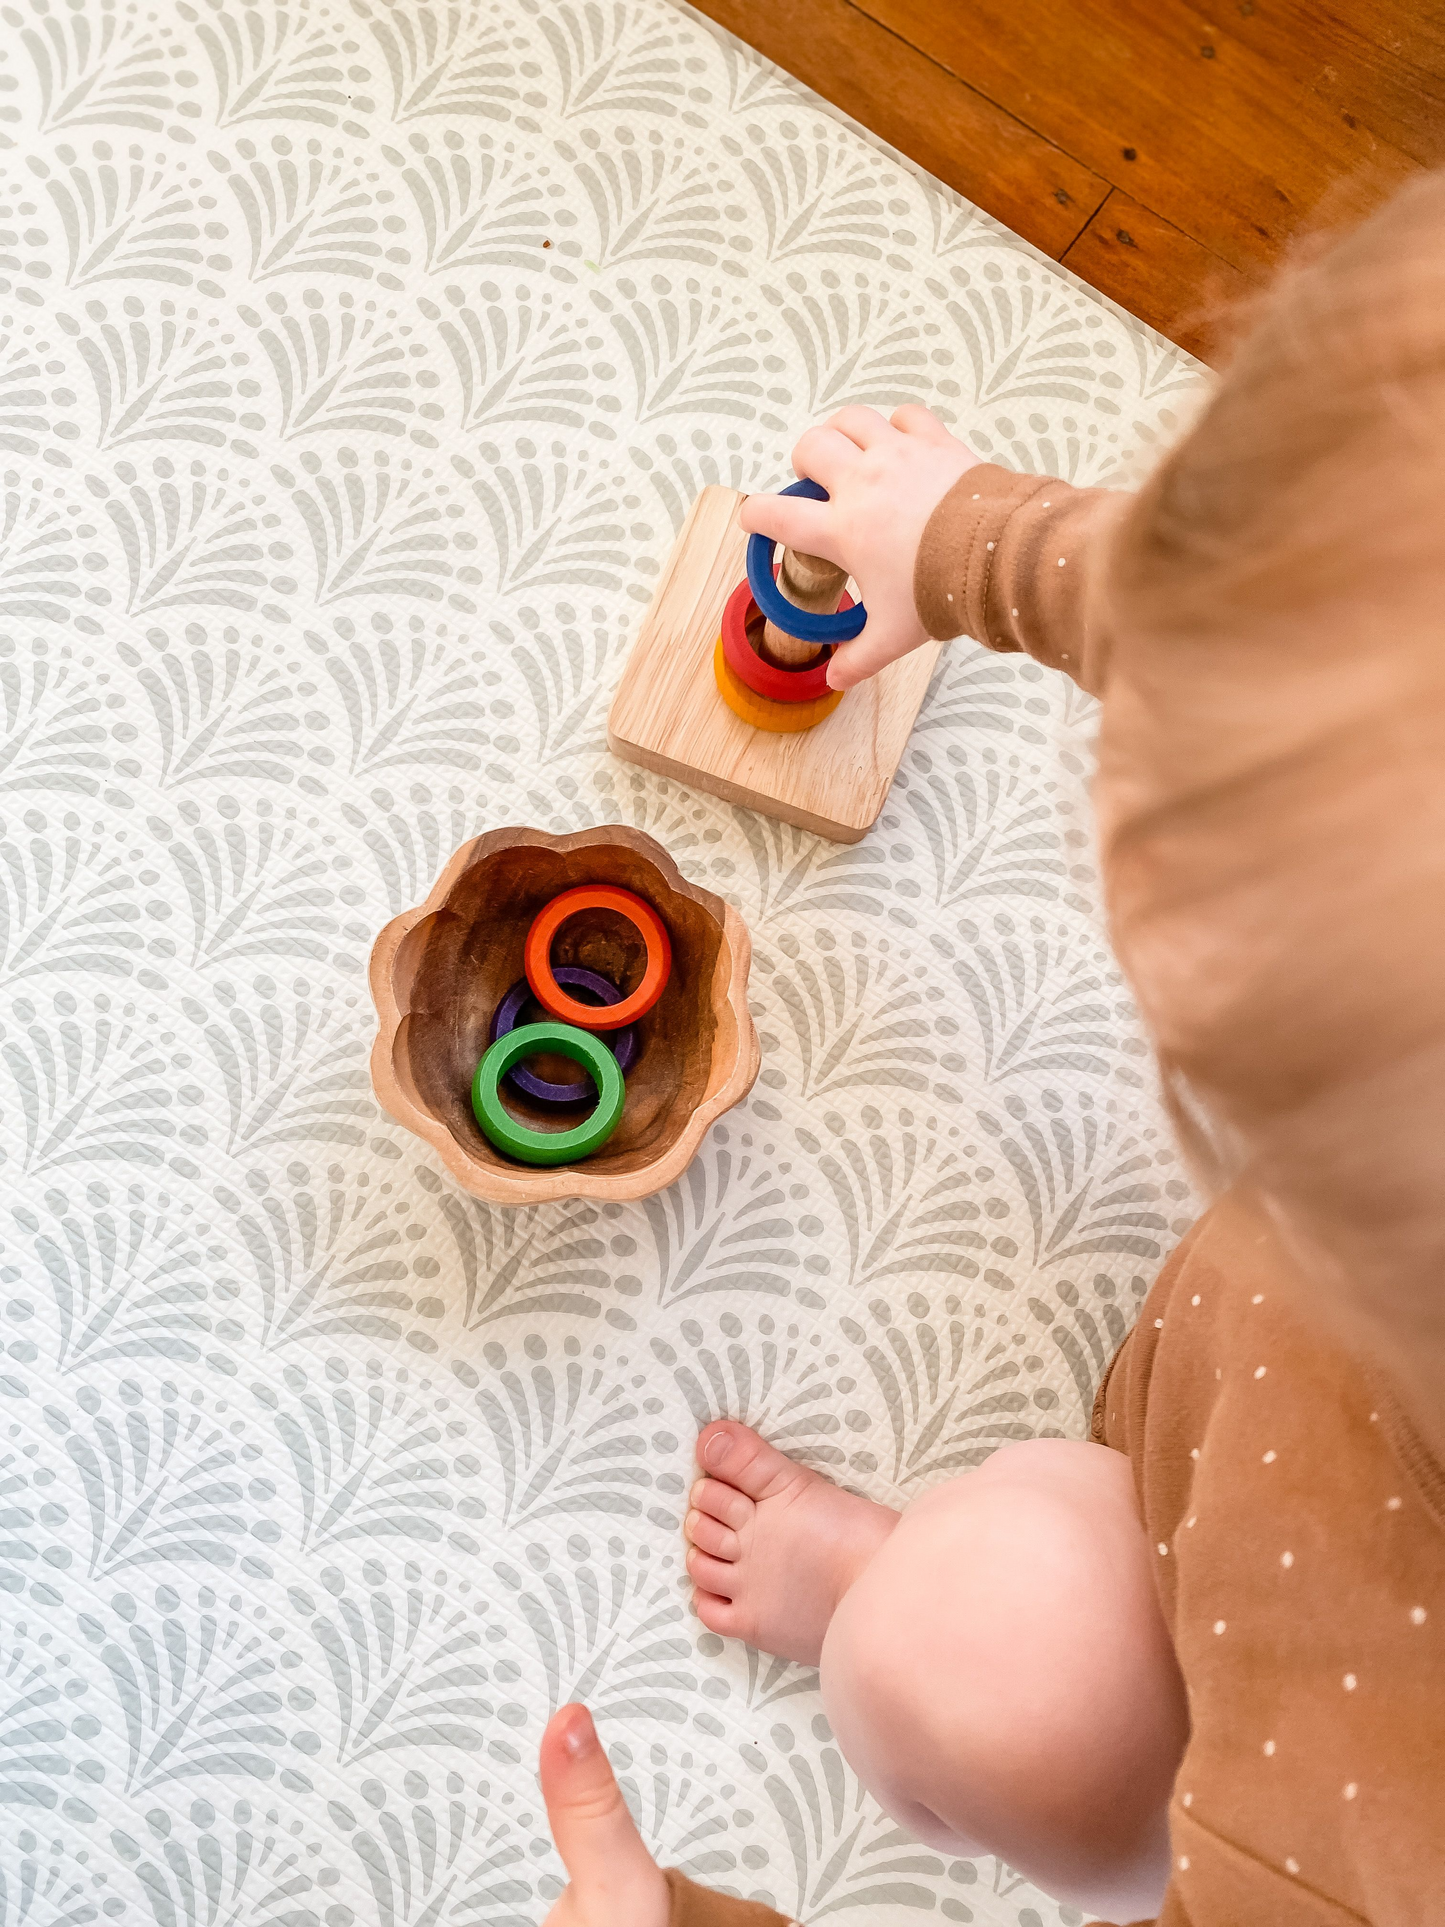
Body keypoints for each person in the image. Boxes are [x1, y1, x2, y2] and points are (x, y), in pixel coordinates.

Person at [538, 169, 1445, 1927]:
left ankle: (899, 1608)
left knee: (997, 1685)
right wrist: (975, 540)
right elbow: (1318, 628)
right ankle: (939, 1581)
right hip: (1221, 1419)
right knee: (1003, 1612)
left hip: (1247, 1696)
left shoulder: (1342, 1856)